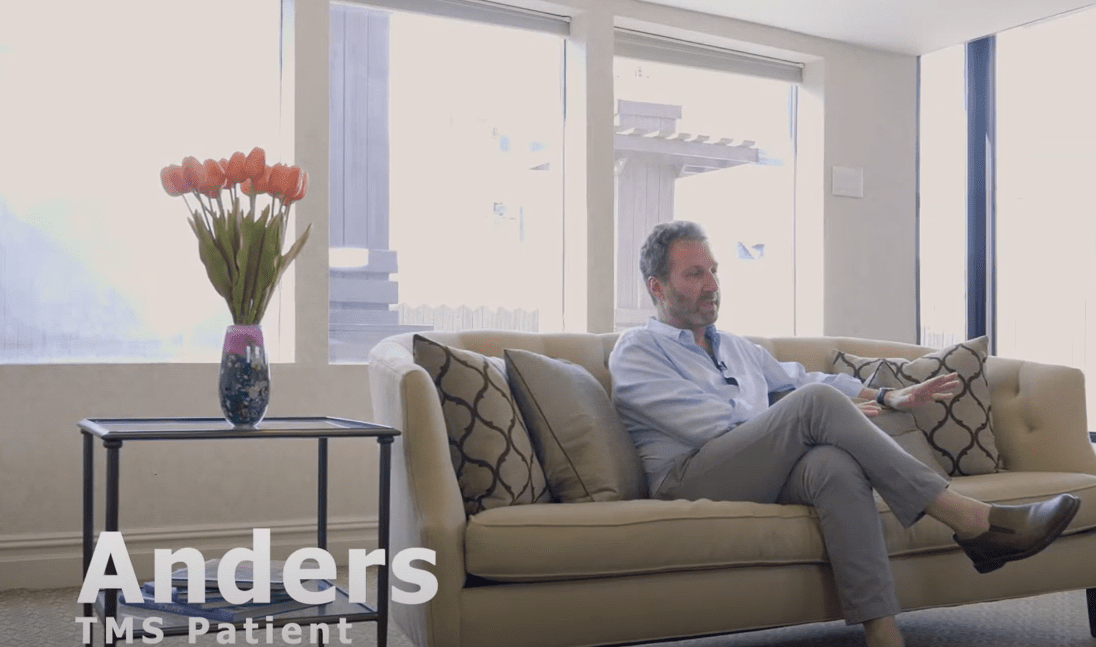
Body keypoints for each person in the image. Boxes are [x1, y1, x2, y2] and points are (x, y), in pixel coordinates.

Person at [608, 220, 1080, 647]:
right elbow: (714, 426)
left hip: (752, 468)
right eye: (695, 274)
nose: (712, 285)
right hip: (687, 476)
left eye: (714, 271)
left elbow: (802, 380)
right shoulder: (637, 350)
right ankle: (971, 519)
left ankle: (883, 635)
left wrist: (888, 396)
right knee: (815, 406)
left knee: (833, 466)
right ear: (657, 286)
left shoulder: (735, 346)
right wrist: (806, 420)